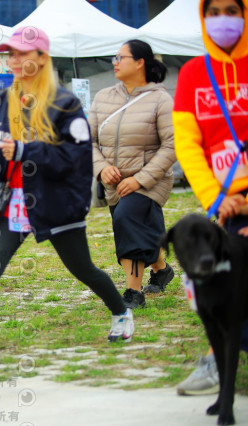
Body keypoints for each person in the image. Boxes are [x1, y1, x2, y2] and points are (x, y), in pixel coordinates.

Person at [0, 26, 134, 372]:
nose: (14, 60)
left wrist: (26, 151)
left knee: (83, 269)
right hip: (9, 203)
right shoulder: (0, 103)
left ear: (42, 58)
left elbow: (75, 159)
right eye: (10, 54)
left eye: (22, 53)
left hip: (55, 203)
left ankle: (121, 312)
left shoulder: (65, 104)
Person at [173, 0, 248, 396]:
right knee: (225, 285)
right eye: (213, 11)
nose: (222, 19)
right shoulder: (192, 73)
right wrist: (215, 198)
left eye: (231, 10)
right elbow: (188, 144)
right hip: (226, 204)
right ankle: (218, 363)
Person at [89, 39, 177, 310]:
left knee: (127, 218)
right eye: (114, 58)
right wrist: (101, 168)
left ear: (140, 63)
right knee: (138, 228)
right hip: (114, 183)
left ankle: (133, 292)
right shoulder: (103, 97)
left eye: (121, 57)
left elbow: (173, 144)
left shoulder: (160, 99)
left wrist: (140, 179)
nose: (115, 62)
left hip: (150, 181)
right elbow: (87, 141)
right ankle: (161, 269)